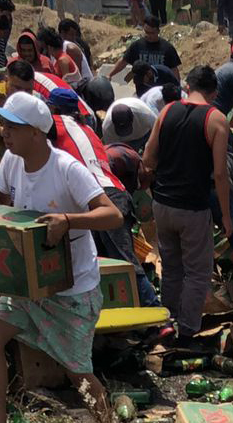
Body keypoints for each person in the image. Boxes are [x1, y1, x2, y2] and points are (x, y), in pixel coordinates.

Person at [0, 91, 121, 423]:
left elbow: (112, 215)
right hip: (28, 283)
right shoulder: (12, 160)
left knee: (77, 373)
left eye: (12, 127)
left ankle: (105, 419)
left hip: (70, 290)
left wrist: (68, 220)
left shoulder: (66, 169)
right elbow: (1, 196)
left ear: (36, 132)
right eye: (3, 124)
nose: (3, 132)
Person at [142, 66, 232, 345]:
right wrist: (226, 217)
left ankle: (166, 326)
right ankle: (188, 333)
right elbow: (220, 174)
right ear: (214, 92)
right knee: (197, 273)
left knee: (171, 269)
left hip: (162, 205)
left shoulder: (166, 111)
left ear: (188, 86)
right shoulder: (216, 119)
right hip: (192, 208)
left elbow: (148, 159)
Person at [46, 90, 160, 308]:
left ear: (55, 110)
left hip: (104, 195)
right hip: (107, 195)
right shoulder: (86, 128)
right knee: (104, 262)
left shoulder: (59, 123)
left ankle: (154, 309)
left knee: (124, 261)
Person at [108, 16, 181, 80]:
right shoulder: (137, 46)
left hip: (160, 86)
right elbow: (124, 62)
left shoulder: (167, 48)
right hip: (142, 87)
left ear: (158, 31)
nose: (148, 35)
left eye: (152, 33)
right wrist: (110, 75)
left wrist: (177, 86)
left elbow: (174, 69)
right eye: (146, 32)